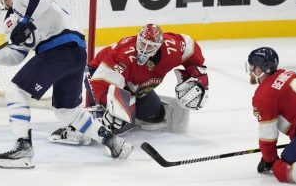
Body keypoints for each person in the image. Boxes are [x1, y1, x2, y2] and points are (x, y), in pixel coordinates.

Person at [0, 0, 133, 169]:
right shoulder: (11, 21)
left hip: (59, 49)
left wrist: (27, 21)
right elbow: (16, 54)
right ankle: (113, 142)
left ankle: (23, 148)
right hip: (74, 54)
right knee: (66, 110)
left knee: (16, 91)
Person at [50, 24, 209, 144]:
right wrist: (112, 106)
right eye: (142, 44)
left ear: (159, 46)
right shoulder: (124, 55)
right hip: (99, 73)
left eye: (150, 47)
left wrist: (200, 80)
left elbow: (191, 48)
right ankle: (76, 128)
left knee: (154, 115)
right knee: (116, 120)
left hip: (136, 85)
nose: (144, 50)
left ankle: (129, 111)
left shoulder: (172, 48)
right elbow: (101, 82)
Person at [246, 47, 296, 184]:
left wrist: (270, 161)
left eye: (252, 67)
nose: (250, 71)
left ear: (259, 70)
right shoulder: (287, 73)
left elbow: (267, 138)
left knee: (282, 168)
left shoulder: (263, 96)